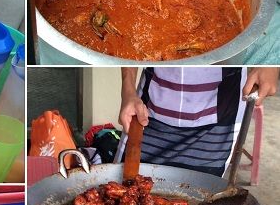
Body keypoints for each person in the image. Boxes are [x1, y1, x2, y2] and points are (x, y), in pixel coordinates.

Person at [118, 67, 279, 176]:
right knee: (125, 190)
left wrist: (271, 60)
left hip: (219, 114)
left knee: (201, 201)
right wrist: (128, 90)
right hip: (149, 109)